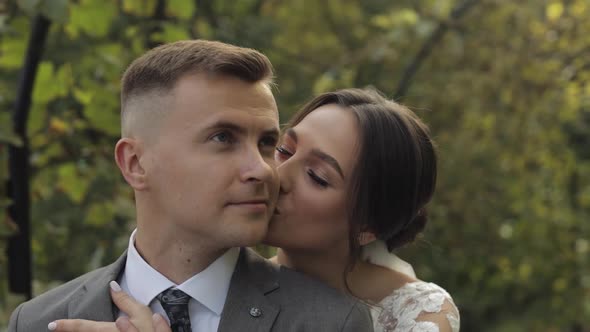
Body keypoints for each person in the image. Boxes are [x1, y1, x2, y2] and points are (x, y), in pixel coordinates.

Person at [7, 40, 372, 332]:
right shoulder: (39, 322)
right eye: (223, 138)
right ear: (135, 164)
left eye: (265, 142)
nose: (261, 170)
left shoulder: (329, 323)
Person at [52, 88, 460, 332]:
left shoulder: (415, 313)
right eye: (282, 148)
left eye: (317, 177)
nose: (273, 174)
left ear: (368, 226)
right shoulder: (213, 277)